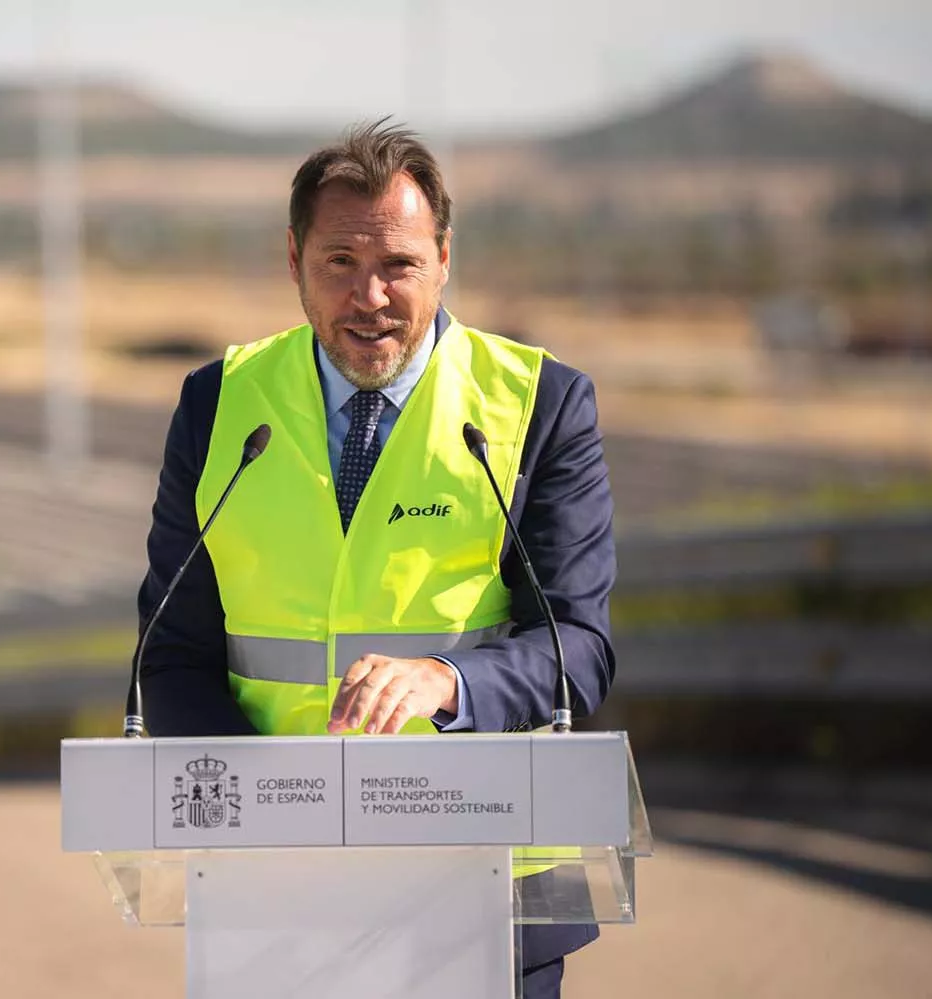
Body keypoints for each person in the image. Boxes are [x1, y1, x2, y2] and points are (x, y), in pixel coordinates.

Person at [135, 120, 617, 997]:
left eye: (397, 264)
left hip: (490, 879)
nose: (370, 297)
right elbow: (170, 656)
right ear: (293, 261)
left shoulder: (539, 406)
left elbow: (579, 648)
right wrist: (273, 825)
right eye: (339, 263)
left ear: (442, 259)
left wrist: (446, 680)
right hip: (273, 890)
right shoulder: (216, 407)